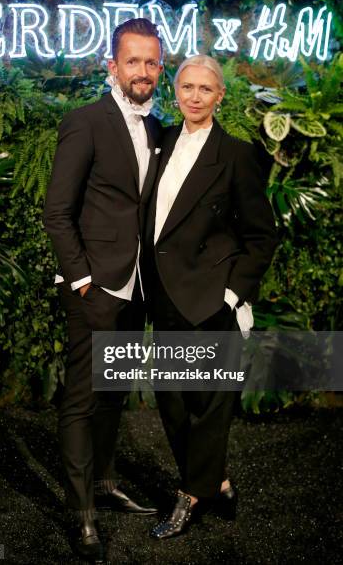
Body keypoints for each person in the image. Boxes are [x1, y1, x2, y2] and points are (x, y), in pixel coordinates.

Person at [43, 18, 163, 562]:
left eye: (152, 61)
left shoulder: (158, 128)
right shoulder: (85, 122)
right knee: (82, 399)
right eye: (133, 60)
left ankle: (104, 482)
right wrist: (82, 278)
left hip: (135, 288)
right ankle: (79, 511)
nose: (144, 71)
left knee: (115, 394)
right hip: (94, 287)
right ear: (111, 66)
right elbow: (57, 212)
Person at [144, 55, 277, 539]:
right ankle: (215, 480)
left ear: (220, 96)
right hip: (164, 295)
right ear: (175, 92)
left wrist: (231, 293)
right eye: (186, 87)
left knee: (209, 403)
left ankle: (189, 494)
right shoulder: (159, 143)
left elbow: (262, 235)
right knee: (173, 400)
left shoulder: (237, 155)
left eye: (205, 89)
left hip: (209, 299)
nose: (194, 96)